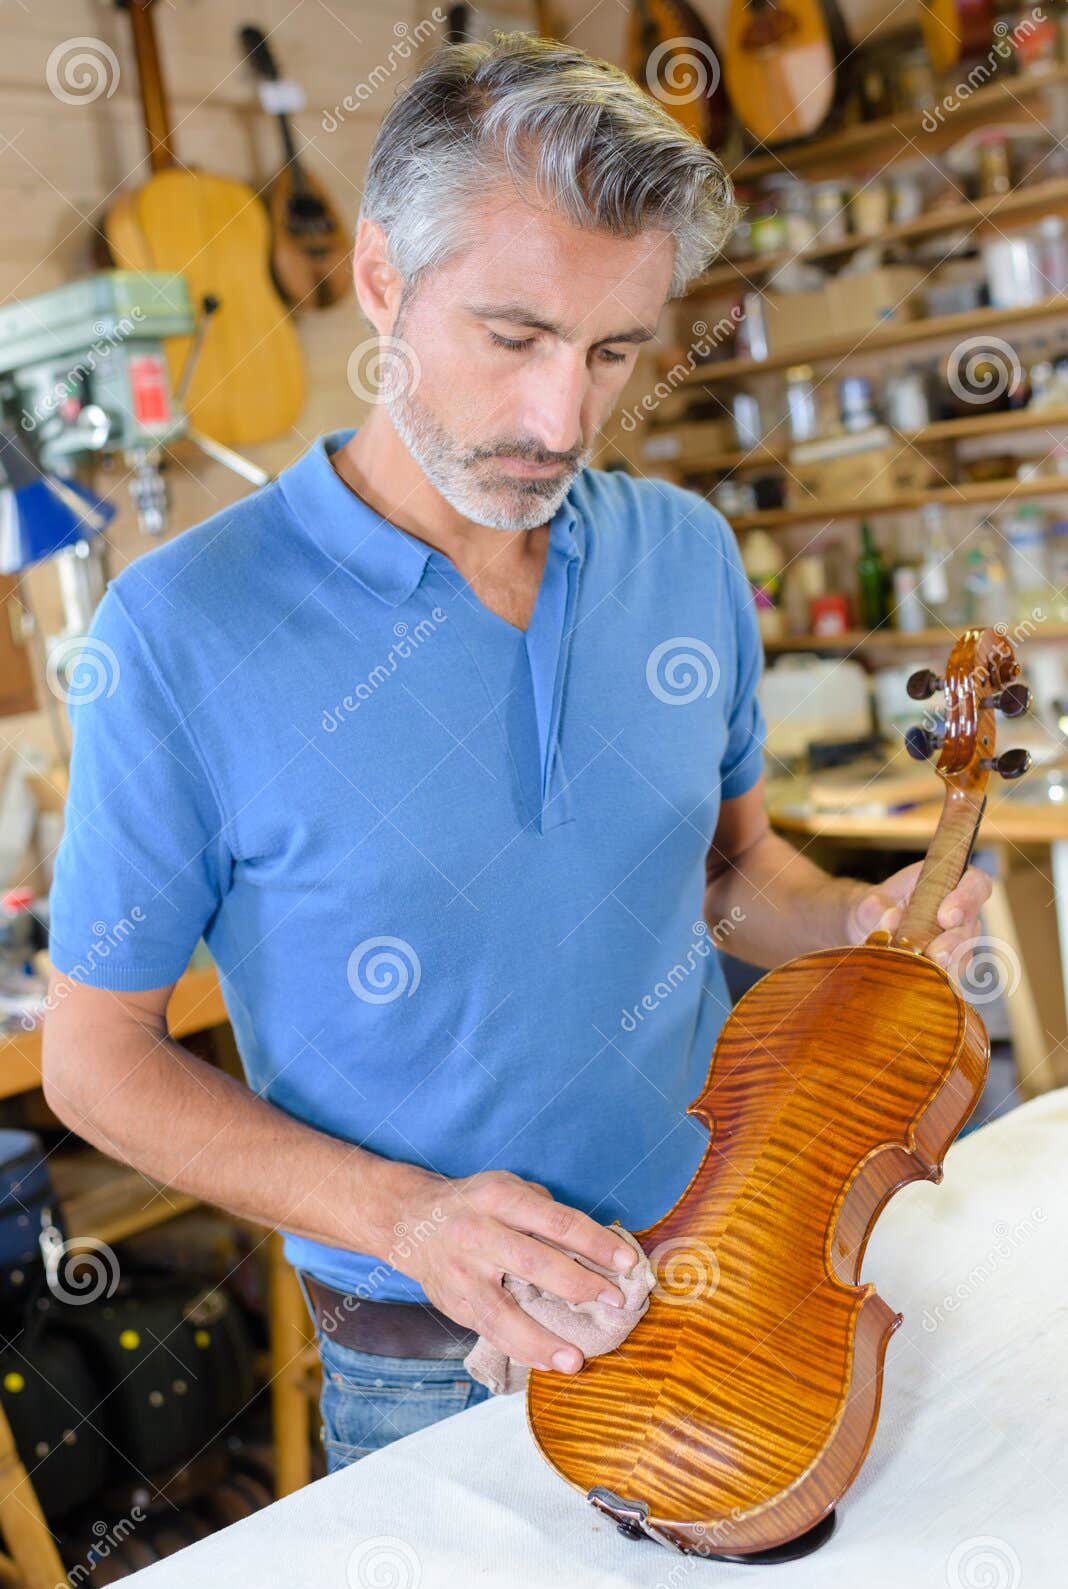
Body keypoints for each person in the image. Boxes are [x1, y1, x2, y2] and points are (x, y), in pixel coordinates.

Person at [42, 34, 991, 1474]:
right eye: (514, 337)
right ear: (380, 281)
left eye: (614, 350)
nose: (563, 419)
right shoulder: (178, 630)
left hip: (737, 1278)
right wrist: (410, 1219)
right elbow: (95, 1059)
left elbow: (732, 876)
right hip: (432, 1376)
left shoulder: (684, 555)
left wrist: (850, 924)